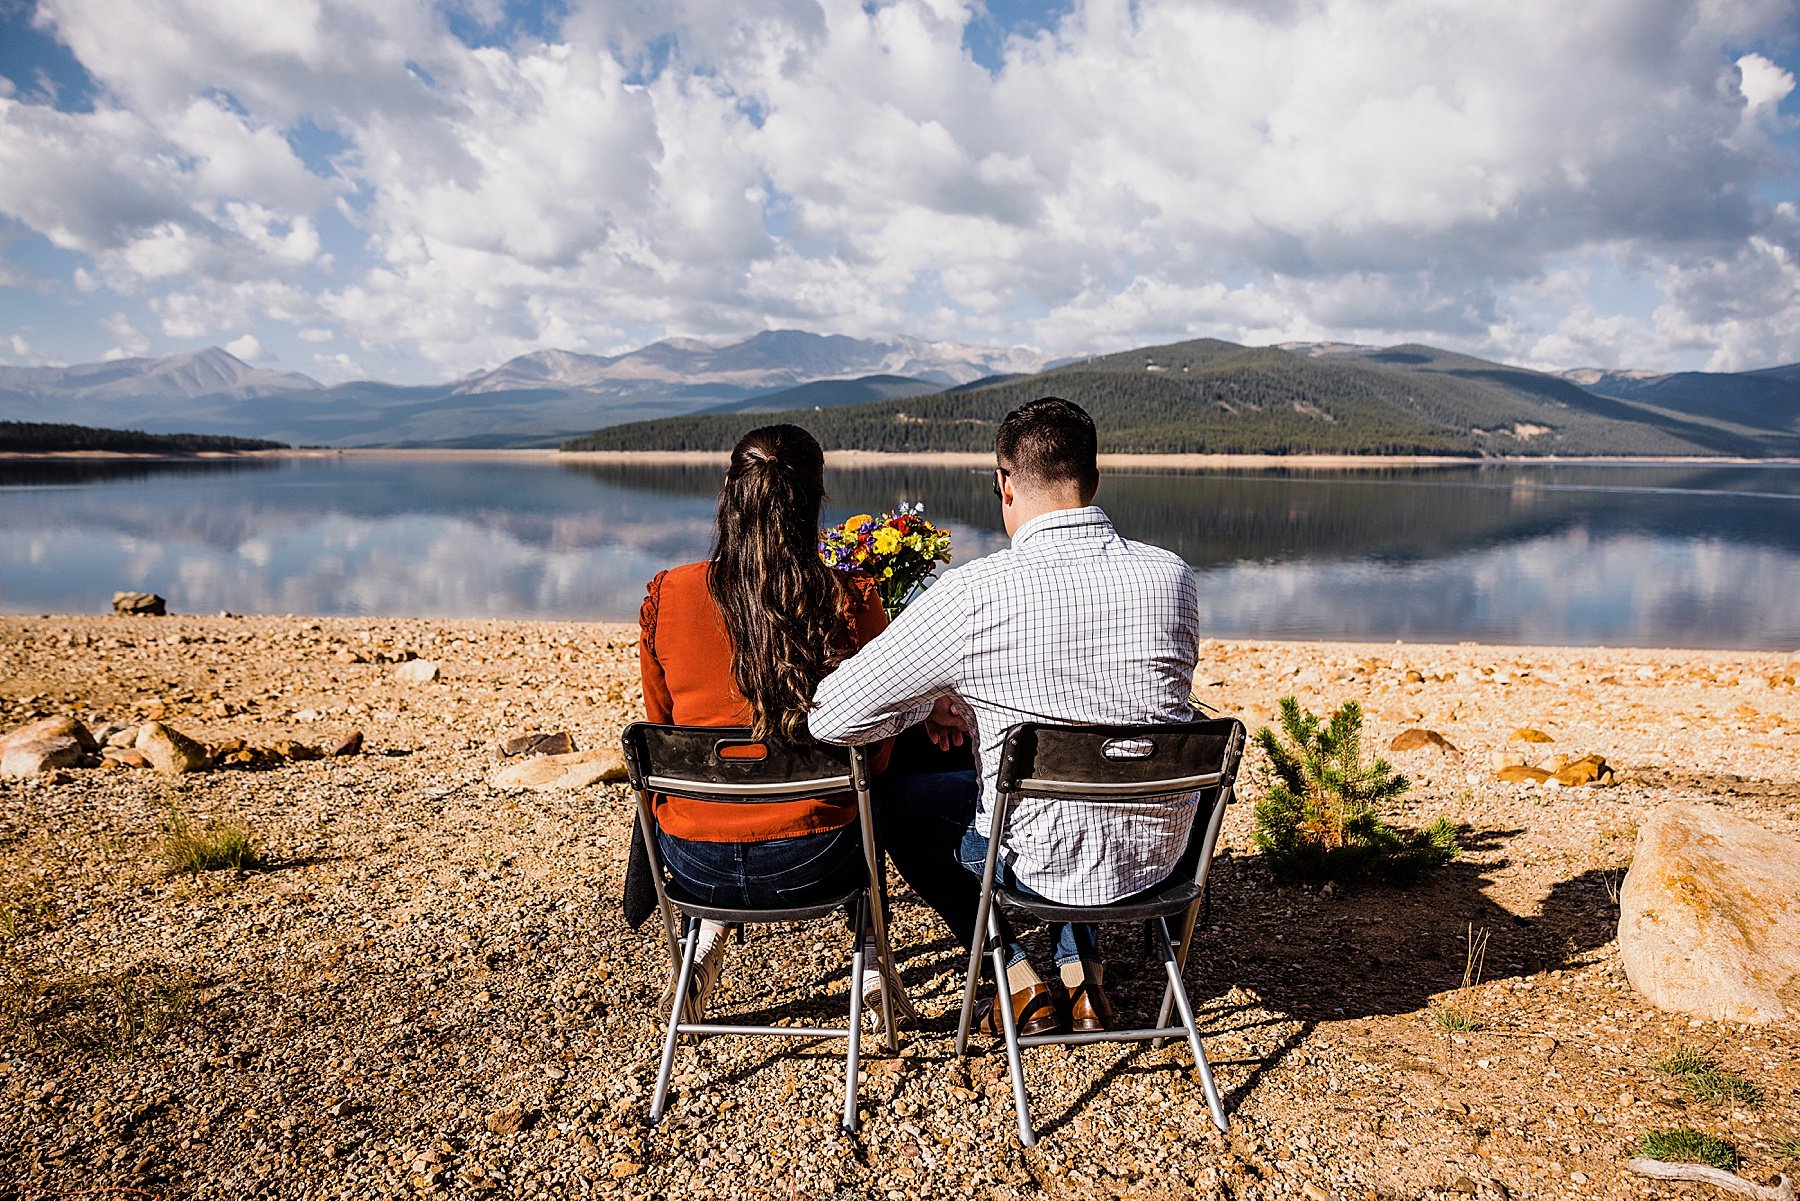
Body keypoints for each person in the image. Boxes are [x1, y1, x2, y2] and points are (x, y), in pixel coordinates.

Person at [809, 397, 1201, 1036]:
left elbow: (835, 715)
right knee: (1096, 763)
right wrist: (967, 699)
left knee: (900, 801)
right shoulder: (1172, 577)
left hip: (1032, 865)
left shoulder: (973, 591)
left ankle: (1012, 968)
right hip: (1160, 859)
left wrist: (927, 703)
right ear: (1094, 481)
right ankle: (1081, 966)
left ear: (1004, 483)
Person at [637, 423, 910, 1028]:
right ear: (814, 503)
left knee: (716, 779)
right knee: (877, 778)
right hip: (815, 859)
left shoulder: (669, 593)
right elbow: (881, 747)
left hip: (690, 862)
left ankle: (703, 936)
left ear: (729, 498)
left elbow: (664, 733)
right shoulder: (848, 598)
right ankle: (869, 957)